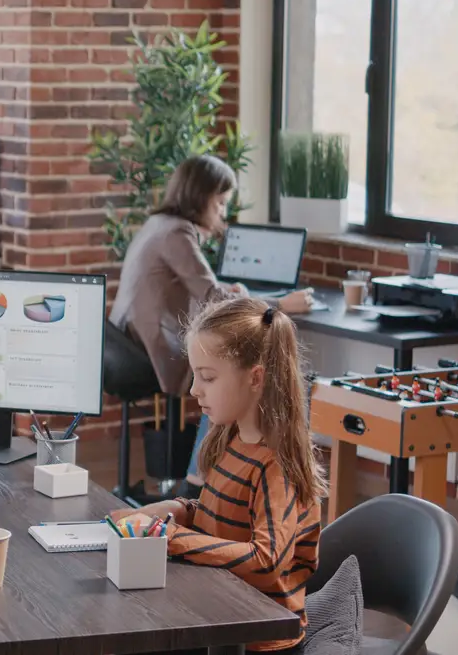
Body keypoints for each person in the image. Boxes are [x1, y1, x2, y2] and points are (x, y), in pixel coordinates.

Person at [110, 297, 325, 654]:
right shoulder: (232, 438)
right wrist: (180, 509)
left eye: (207, 377)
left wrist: (173, 538)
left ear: (255, 377)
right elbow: (229, 517)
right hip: (220, 617)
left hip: (258, 640)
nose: (195, 389)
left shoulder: (276, 466)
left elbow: (266, 561)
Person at [107, 155, 313, 500]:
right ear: (201, 197)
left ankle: (211, 477)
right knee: (234, 373)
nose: (221, 213)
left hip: (123, 345)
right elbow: (215, 297)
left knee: (228, 368)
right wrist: (282, 304)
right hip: (145, 352)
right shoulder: (177, 232)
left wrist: (233, 294)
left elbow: (206, 293)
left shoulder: (159, 224)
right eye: (220, 203)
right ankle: (198, 480)